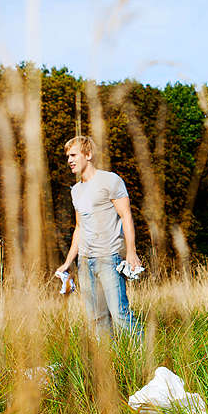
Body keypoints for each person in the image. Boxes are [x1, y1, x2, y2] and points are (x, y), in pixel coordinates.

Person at [55, 136, 142, 336]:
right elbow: (79, 227)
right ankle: (108, 365)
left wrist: (131, 252)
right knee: (97, 319)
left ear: (88, 155)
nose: (69, 160)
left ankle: (145, 360)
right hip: (85, 263)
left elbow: (126, 216)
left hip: (108, 258)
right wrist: (68, 262)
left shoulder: (110, 180)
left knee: (120, 315)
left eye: (74, 155)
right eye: (68, 156)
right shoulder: (76, 191)